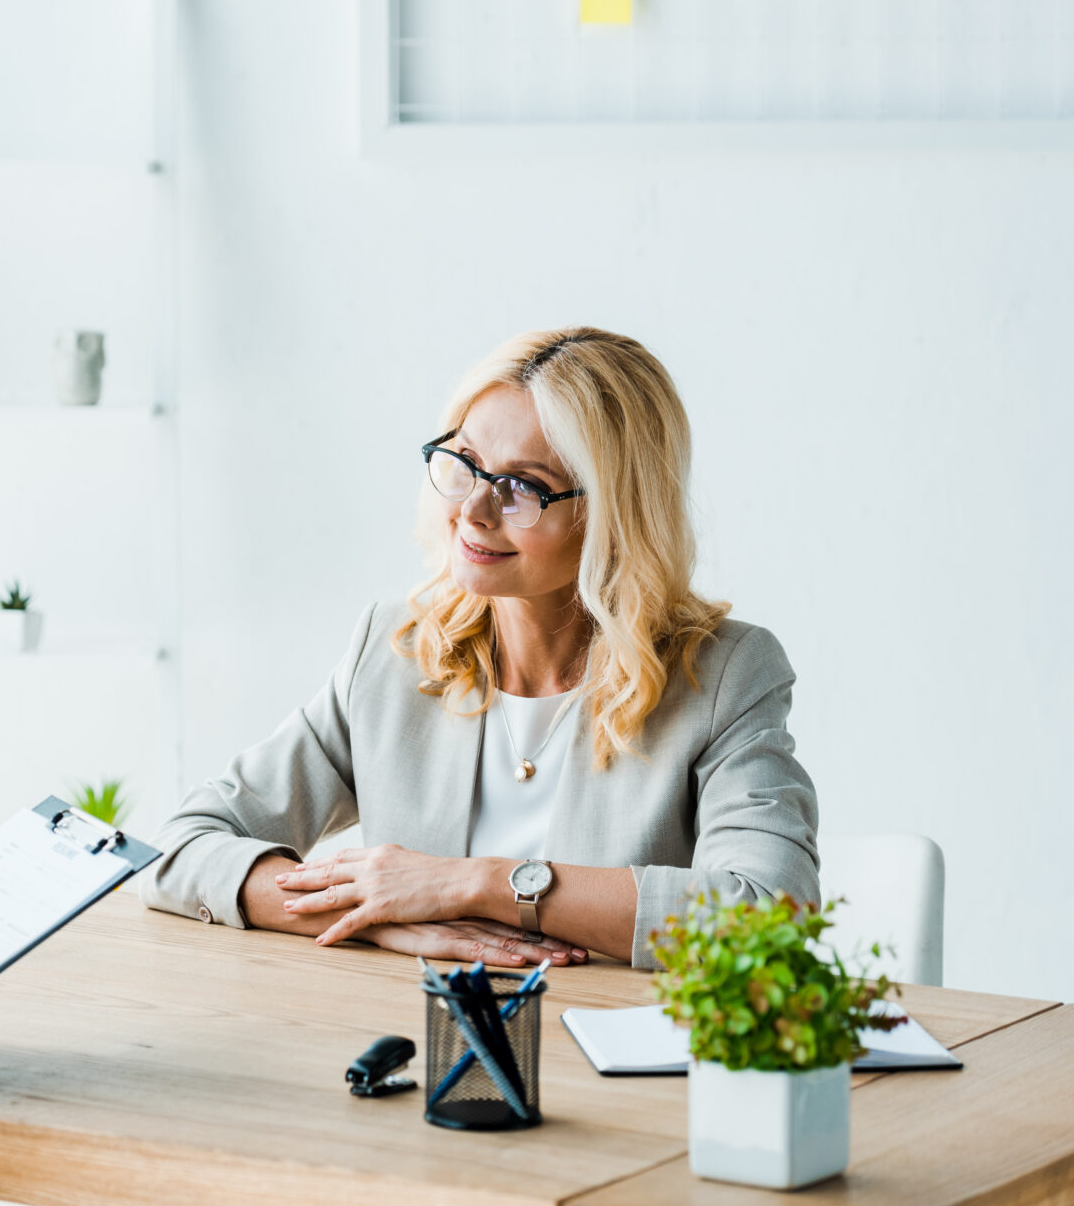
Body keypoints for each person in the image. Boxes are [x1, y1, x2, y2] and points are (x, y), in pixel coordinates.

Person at [141, 328, 818, 968]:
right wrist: (375, 912)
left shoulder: (728, 675)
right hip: (415, 1044)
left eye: (522, 486)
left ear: (614, 516)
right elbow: (186, 844)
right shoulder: (392, 649)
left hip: (615, 1064)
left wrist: (475, 885)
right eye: (464, 463)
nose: (472, 510)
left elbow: (772, 919)